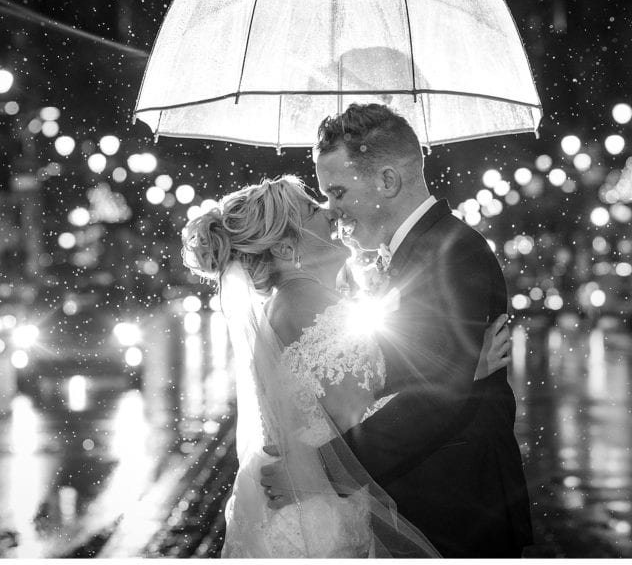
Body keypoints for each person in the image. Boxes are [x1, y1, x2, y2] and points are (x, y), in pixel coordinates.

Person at [181, 174, 513, 558]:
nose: (329, 211)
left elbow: (351, 391)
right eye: (312, 209)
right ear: (288, 249)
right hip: (321, 517)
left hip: (310, 509)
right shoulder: (306, 305)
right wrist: (465, 372)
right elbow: (353, 416)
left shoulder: (293, 302)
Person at [260, 103, 534, 557]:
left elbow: (433, 399)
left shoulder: (448, 251)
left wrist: (319, 474)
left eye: (339, 192)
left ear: (387, 181)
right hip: (425, 500)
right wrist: (469, 369)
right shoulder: (409, 253)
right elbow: (418, 375)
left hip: (458, 506)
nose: (333, 211)